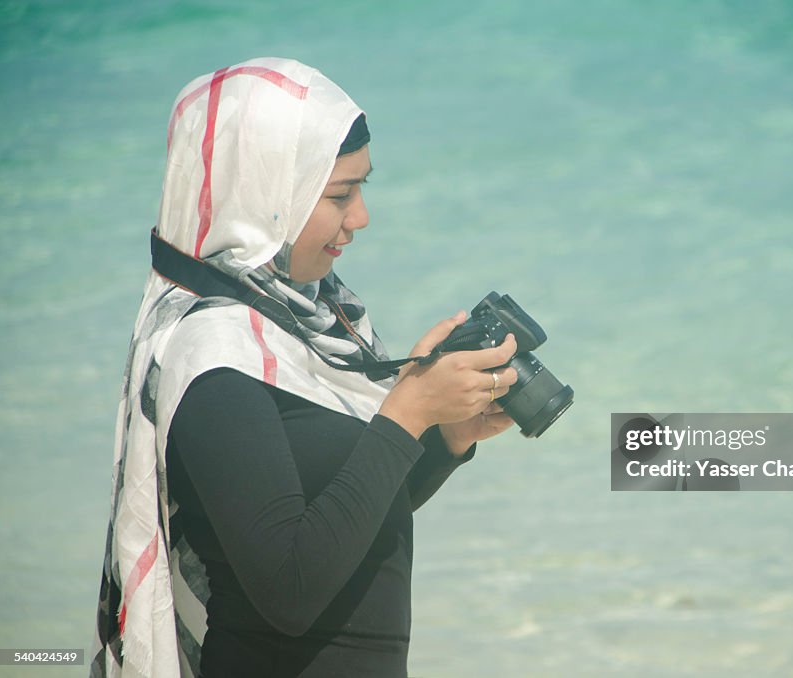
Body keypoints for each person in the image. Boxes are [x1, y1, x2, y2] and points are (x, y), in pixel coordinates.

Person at [90, 57, 519, 678]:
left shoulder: (316, 321)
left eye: (363, 187)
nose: (361, 217)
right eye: (340, 194)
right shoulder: (213, 356)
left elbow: (346, 523)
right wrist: (406, 413)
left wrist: (446, 437)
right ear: (265, 195)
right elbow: (291, 590)